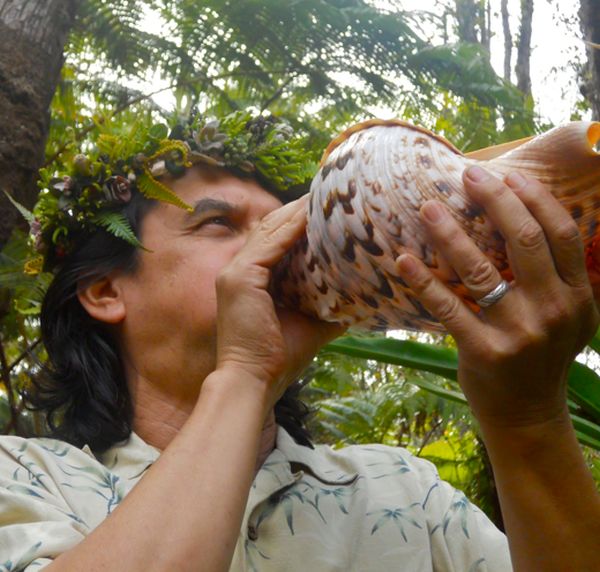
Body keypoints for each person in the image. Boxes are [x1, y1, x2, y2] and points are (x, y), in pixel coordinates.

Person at [1, 111, 599, 571]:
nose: (279, 244)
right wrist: (244, 374)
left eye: (284, 222)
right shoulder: (22, 477)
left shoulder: (404, 492)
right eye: (220, 224)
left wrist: (527, 420)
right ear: (106, 291)